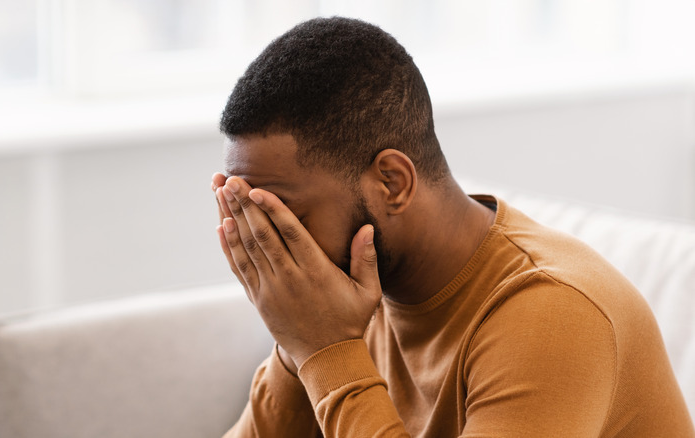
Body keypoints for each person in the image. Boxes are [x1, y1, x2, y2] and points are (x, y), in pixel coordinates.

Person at [210, 16, 694, 437]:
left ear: (392, 182)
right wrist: (296, 350)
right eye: (247, 210)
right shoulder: (348, 289)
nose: (261, 239)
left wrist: (326, 351)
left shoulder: (553, 314)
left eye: (282, 213)